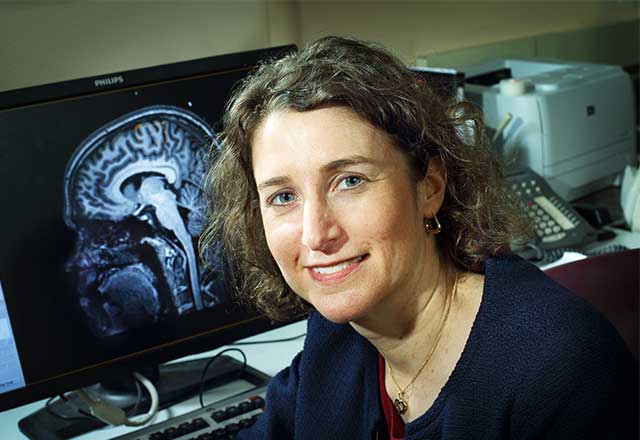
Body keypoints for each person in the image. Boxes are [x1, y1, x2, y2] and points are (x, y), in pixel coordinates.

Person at [200, 36, 638, 439]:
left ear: (429, 186)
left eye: (350, 181)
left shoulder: (558, 368)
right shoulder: (337, 337)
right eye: (283, 196)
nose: (316, 234)